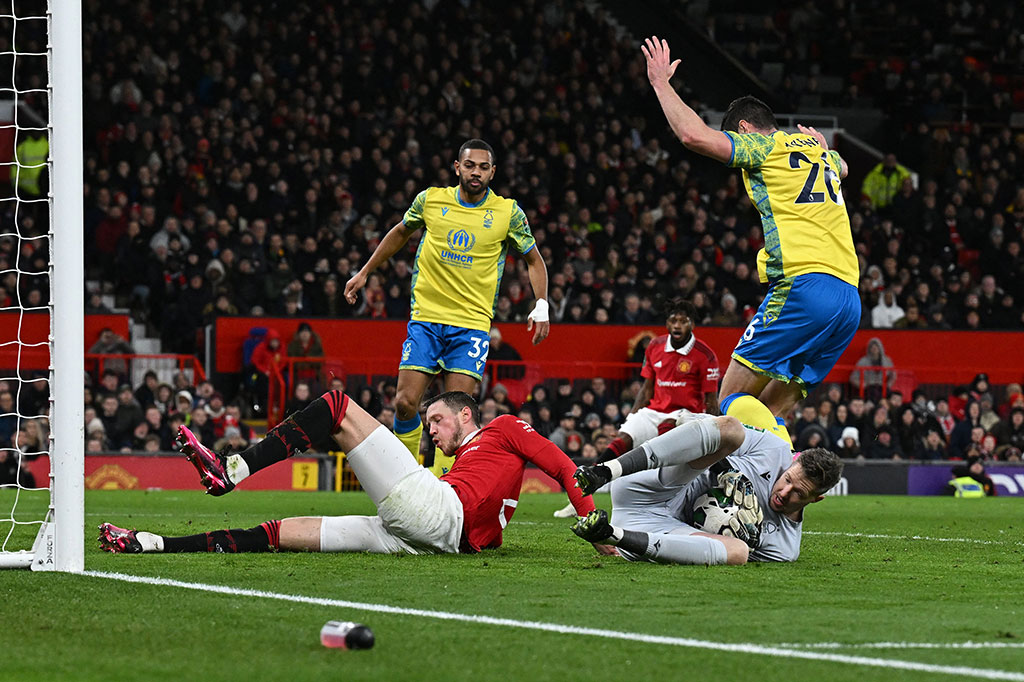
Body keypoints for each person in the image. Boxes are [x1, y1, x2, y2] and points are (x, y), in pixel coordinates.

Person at [640, 37, 860, 433]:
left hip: (804, 286)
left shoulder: (766, 146)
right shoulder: (818, 153)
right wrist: (826, 150)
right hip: (848, 299)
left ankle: (729, 484)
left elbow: (694, 136)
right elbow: (843, 168)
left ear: (744, 128)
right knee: (772, 412)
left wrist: (660, 83)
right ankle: (781, 481)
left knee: (731, 398)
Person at [99, 390, 612, 556]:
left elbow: (565, 465)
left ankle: (231, 468)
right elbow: (490, 525)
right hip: (422, 538)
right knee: (284, 533)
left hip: (436, 514)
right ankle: (156, 544)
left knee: (338, 404)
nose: (432, 430)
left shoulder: (502, 428)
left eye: (438, 420)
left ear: (466, 414)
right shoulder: (473, 462)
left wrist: (595, 528)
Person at [344, 139, 550, 476]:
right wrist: (365, 272)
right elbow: (399, 233)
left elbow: (533, 259)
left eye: (484, 168)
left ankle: (445, 487)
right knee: (405, 403)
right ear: (457, 167)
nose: (476, 173)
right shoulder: (431, 200)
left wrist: (541, 303)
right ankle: (404, 477)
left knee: (455, 415)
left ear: (493, 172)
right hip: (426, 319)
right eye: (470, 165)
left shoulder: (507, 213)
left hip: (470, 326)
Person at [570, 395, 843, 565]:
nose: (785, 492)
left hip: (654, 529)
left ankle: (611, 535)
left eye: (799, 492)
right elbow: (706, 426)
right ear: (792, 463)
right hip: (648, 484)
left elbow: (715, 549)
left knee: (738, 553)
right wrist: (720, 468)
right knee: (732, 429)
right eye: (787, 479)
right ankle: (605, 471)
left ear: (816, 498)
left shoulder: (785, 548)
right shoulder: (775, 450)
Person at [553, 298, 720, 517]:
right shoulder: (655, 346)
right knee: (622, 439)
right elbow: (646, 388)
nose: (677, 325)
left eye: (683, 321)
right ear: (667, 323)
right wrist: (630, 419)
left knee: (668, 429)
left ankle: (667, 502)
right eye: (673, 320)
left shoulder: (705, 355)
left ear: (692, 325)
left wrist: (714, 434)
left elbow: (711, 401)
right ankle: (580, 497)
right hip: (654, 411)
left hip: (687, 415)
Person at [848, 337, 896, 402]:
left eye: (876, 347)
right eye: (872, 347)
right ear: (869, 349)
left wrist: (888, 385)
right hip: (868, 387)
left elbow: (893, 375)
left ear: (880, 348)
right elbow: (853, 377)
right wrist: (862, 385)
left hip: (882, 387)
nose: (874, 349)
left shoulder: (887, 361)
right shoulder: (862, 361)